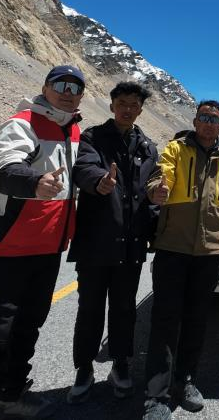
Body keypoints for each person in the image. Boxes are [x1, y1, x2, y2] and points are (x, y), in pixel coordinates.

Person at [0, 65, 86, 420]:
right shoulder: (22, 123)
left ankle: (11, 395)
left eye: (76, 87)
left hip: (47, 250)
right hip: (8, 248)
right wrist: (34, 183)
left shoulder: (74, 132)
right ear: (45, 86)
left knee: (29, 326)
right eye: (60, 84)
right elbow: (5, 169)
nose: (67, 91)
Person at [141, 100, 219, 420]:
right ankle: (156, 395)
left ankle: (185, 380)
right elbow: (162, 176)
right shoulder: (176, 149)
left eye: (215, 119)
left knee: (196, 321)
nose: (209, 123)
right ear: (195, 120)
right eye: (204, 117)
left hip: (210, 252)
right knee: (164, 321)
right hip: (173, 248)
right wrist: (157, 190)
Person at [66, 82, 159, 404]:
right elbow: (83, 169)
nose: (127, 109)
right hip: (96, 242)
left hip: (131, 245)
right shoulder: (93, 138)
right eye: (122, 103)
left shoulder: (147, 147)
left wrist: (158, 208)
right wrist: (99, 182)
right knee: (89, 309)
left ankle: (121, 363)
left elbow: (154, 188)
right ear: (112, 105)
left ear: (140, 110)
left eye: (134, 104)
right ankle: (84, 368)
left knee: (123, 309)